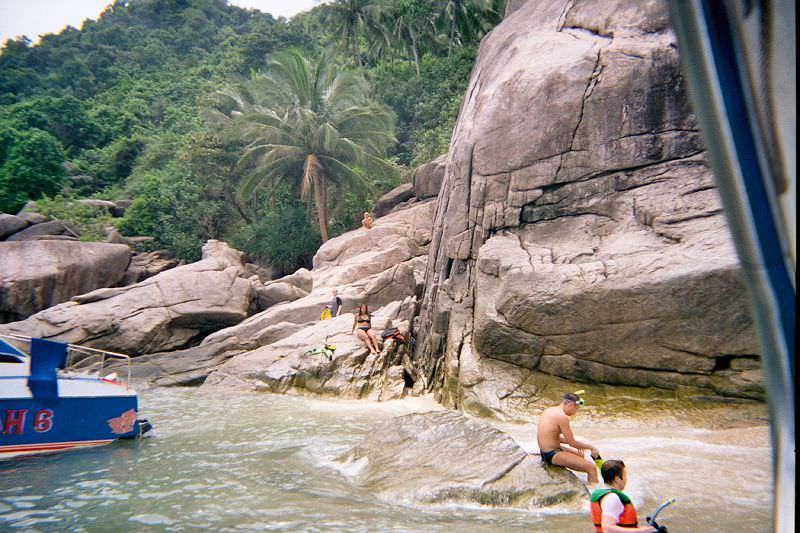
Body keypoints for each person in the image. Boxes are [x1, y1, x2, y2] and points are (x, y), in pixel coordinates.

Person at [537, 392, 601, 485]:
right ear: (571, 405)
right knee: (592, 468)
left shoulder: (550, 410)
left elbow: (551, 436)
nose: (576, 412)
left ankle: (581, 481)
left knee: (580, 456)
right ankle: (594, 494)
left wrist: (578, 445)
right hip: (552, 454)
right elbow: (572, 443)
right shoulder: (562, 417)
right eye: (577, 408)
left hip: (544, 451)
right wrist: (591, 447)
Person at [590, 460, 658, 533]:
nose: (626, 479)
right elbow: (608, 529)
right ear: (617, 479)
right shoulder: (612, 498)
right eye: (625, 475)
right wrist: (639, 531)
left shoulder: (604, 494)